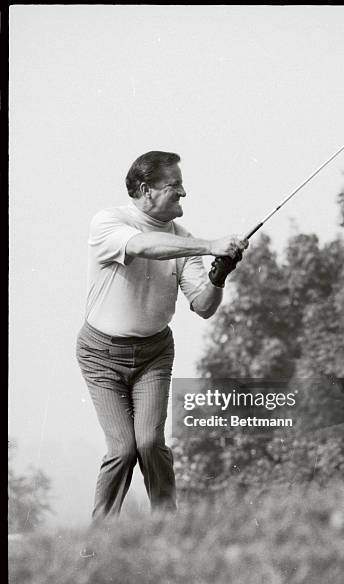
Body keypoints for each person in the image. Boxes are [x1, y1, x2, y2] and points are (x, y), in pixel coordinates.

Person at [76, 151, 248, 534]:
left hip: (153, 354)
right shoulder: (109, 222)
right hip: (101, 355)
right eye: (174, 186)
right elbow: (143, 247)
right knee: (123, 450)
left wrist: (219, 277)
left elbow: (203, 307)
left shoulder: (184, 241)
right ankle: (97, 541)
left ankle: (168, 534)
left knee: (151, 442)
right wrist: (211, 245)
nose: (184, 192)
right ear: (145, 190)